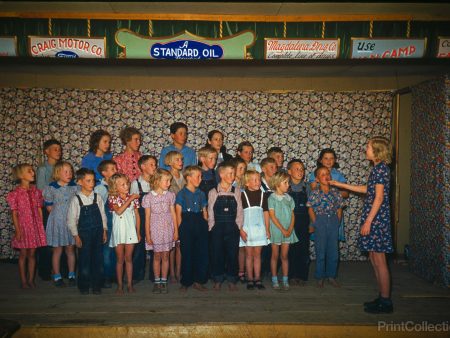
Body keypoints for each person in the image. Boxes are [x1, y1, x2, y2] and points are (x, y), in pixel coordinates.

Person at [330, 137, 394, 314]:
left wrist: (368, 221)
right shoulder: (377, 168)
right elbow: (368, 190)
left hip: (377, 220)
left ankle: (386, 301)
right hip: (375, 218)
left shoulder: (381, 169)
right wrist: (340, 184)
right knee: (374, 259)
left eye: (368, 147)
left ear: (377, 150)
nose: (366, 149)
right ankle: (382, 296)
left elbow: (379, 198)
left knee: (380, 261)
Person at [67, 168, 107, 295]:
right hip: (84, 234)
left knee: (98, 259)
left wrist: (104, 230)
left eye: (93, 181)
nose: (92, 183)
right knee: (84, 260)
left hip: (97, 232)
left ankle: (97, 285)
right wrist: (76, 236)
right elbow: (71, 220)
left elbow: (102, 215)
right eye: (88, 181)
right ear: (80, 182)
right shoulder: (76, 200)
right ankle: (84, 285)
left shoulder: (97, 197)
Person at [6, 164, 47, 289]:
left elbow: (39, 209)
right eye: (29, 171)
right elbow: (14, 214)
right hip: (23, 227)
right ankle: (23, 280)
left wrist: (41, 226)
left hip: (35, 227)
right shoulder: (15, 194)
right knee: (23, 254)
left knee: (32, 254)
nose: (33, 173)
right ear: (20, 176)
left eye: (32, 170)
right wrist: (18, 230)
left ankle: (31, 279)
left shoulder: (36, 192)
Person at [208, 162, 244, 291]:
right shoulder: (213, 192)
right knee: (217, 254)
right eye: (229, 173)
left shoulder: (237, 191)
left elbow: (240, 211)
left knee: (232, 254)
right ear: (221, 174)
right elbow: (210, 211)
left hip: (232, 228)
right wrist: (211, 227)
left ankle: (232, 279)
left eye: (233, 173)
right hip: (217, 228)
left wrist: (238, 226)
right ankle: (217, 279)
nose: (232, 176)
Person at [43, 161, 78, 287]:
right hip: (57, 223)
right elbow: (49, 206)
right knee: (57, 250)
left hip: (71, 223)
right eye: (66, 171)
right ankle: (57, 275)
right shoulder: (51, 188)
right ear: (58, 173)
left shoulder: (75, 187)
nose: (69, 174)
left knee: (70, 249)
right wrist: (59, 217)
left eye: (71, 171)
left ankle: (71, 274)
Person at [142, 169, 177, 294]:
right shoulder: (148, 197)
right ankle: (157, 282)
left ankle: (164, 281)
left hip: (168, 229)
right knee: (156, 256)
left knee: (166, 256)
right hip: (155, 230)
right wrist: (147, 234)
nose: (169, 183)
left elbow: (173, 214)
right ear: (157, 181)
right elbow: (147, 218)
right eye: (166, 181)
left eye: (170, 180)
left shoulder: (170, 196)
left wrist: (176, 231)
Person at [307, 166, 343, 288]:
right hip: (320, 221)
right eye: (322, 174)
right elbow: (310, 208)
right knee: (320, 250)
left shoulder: (336, 192)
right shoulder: (315, 193)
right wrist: (315, 221)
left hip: (333, 220)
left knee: (333, 251)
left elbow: (339, 208)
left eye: (327, 173)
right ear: (317, 179)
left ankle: (331, 276)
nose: (326, 176)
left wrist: (337, 221)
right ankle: (320, 276)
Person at [176, 166, 209, 292]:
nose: (200, 179)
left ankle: (198, 281)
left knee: (201, 253)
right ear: (188, 177)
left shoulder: (201, 193)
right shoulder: (181, 194)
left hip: (200, 223)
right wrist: (180, 230)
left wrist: (205, 224)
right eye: (198, 176)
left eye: (201, 176)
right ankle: (186, 281)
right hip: (187, 223)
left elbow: (204, 211)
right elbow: (178, 213)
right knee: (187, 253)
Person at [108, 173, 140, 294]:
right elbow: (119, 211)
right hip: (119, 231)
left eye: (127, 183)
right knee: (120, 259)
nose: (126, 186)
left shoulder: (134, 198)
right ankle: (120, 285)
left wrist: (138, 231)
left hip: (130, 231)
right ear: (115, 187)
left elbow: (137, 215)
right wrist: (130, 199)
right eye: (122, 184)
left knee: (129, 259)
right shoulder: (113, 197)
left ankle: (130, 284)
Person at [308, 148, 349, 241]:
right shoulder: (314, 174)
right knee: (321, 240)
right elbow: (313, 189)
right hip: (320, 212)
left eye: (331, 158)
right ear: (320, 160)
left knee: (333, 241)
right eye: (326, 158)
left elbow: (346, 193)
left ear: (335, 160)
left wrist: (333, 193)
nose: (329, 161)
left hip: (335, 213)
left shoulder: (338, 175)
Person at [239, 170, 270, 290]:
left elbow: (266, 213)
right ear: (247, 183)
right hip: (247, 229)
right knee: (249, 255)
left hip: (259, 230)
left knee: (257, 255)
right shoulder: (242, 195)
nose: (258, 182)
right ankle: (250, 278)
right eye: (255, 180)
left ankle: (257, 278)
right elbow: (239, 215)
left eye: (259, 179)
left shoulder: (263, 195)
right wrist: (241, 229)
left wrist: (267, 229)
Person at [36, 139, 62, 281]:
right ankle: (45, 271)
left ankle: (60, 269)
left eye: (59, 149)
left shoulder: (61, 167)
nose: (58, 152)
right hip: (48, 209)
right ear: (46, 151)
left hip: (61, 209)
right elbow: (42, 191)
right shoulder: (43, 169)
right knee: (47, 240)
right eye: (55, 149)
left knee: (61, 240)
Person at [268, 171, 298, 291]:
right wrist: (282, 229)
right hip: (276, 230)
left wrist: (290, 229)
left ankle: (285, 279)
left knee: (284, 256)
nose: (288, 185)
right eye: (285, 182)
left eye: (288, 183)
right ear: (277, 183)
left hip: (288, 231)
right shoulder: (272, 198)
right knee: (275, 255)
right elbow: (272, 216)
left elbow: (292, 215)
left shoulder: (289, 198)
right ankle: (274, 279)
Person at [130, 155, 157, 283]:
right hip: (141, 218)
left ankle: (155, 274)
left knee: (155, 247)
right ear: (143, 167)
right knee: (139, 247)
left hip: (156, 218)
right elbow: (133, 206)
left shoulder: (157, 183)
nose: (155, 167)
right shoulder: (136, 184)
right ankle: (137, 274)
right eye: (151, 164)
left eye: (155, 164)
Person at [94, 160, 117, 288]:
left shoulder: (117, 186)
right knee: (107, 251)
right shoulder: (100, 188)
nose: (115, 171)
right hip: (106, 223)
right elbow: (98, 208)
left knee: (115, 250)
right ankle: (106, 276)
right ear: (104, 173)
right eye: (112, 169)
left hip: (117, 222)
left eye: (115, 168)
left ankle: (114, 274)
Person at [287, 159, 310, 285]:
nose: (300, 171)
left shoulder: (307, 188)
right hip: (289, 223)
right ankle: (291, 275)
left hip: (303, 222)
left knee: (303, 249)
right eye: (297, 169)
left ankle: (302, 276)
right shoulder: (285, 186)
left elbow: (312, 208)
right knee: (290, 249)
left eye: (302, 169)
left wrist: (312, 224)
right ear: (289, 171)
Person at [164, 151, 184, 283]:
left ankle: (178, 271)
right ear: (170, 162)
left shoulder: (184, 176)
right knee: (171, 245)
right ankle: (171, 273)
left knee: (180, 245)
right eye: (177, 160)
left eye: (181, 160)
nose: (180, 162)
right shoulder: (167, 177)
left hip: (182, 214)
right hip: (170, 214)